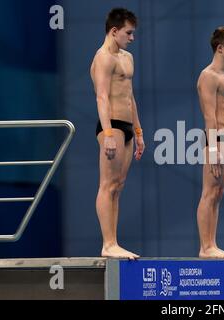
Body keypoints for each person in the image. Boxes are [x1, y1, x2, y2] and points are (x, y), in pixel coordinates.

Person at [90, 8, 145, 259]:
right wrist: (109, 133)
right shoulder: (103, 58)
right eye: (128, 33)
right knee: (107, 184)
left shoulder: (128, 58)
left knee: (118, 186)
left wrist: (139, 131)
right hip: (110, 125)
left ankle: (114, 241)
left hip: (127, 126)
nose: (132, 38)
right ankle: (108, 243)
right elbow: (101, 96)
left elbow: (130, 97)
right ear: (114, 31)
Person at [196, 26, 224, 259]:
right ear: (220, 47)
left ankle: (212, 243)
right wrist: (213, 150)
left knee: (218, 193)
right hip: (215, 140)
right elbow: (209, 117)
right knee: (209, 192)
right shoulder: (208, 76)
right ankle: (205, 247)